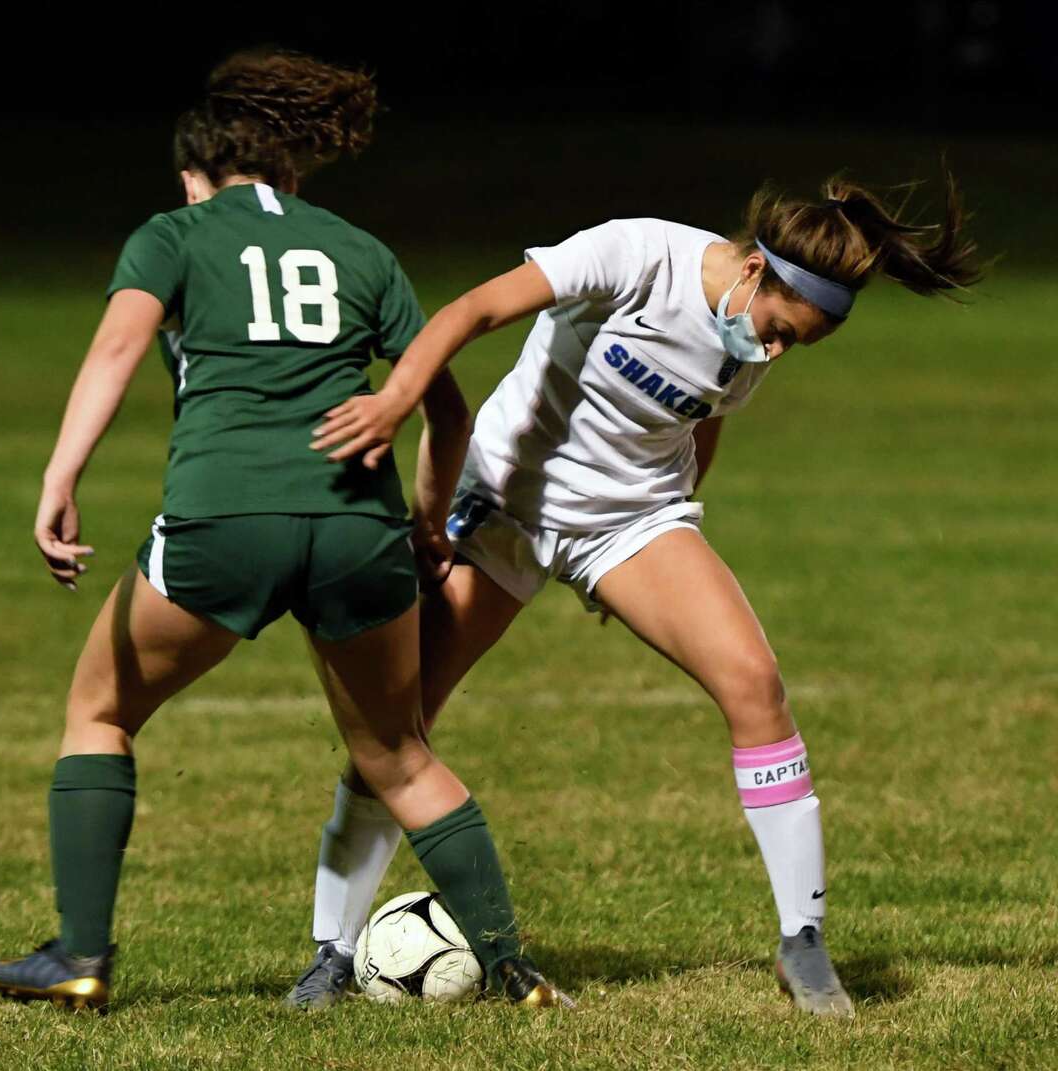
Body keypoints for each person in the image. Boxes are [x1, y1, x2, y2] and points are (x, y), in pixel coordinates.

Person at [289, 173, 981, 1015]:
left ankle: (803, 943)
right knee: (397, 723)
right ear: (756, 271)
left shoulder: (753, 341)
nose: (777, 351)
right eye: (780, 330)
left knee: (756, 684)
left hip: (631, 522)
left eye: (800, 344)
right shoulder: (639, 253)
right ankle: (330, 952)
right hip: (508, 503)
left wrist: (670, 551)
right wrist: (398, 401)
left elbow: (702, 418)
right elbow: (473, 311)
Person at [0, 49, 570, 1012]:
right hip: (357, 529)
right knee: (398, 754)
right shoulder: (362, 249)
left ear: (194, 173)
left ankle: (79, 956)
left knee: (100, 713)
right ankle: (514, 971)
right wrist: (425, 525)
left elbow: (117, 349)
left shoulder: (173, 233)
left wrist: (60, 476)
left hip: (224, 519)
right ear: (293, 169)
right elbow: (447, 410)